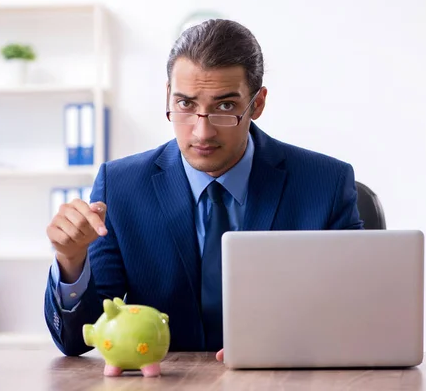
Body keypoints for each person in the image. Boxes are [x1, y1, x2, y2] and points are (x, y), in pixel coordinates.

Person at [44, 19, 363, 361]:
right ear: (168, 95)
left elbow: (358, 314)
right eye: (185, 104)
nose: (202, 132)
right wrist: (71, 261)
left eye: (225, 106)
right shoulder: (121, 186)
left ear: (256, 104)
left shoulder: (326, 183)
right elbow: (79, 340)